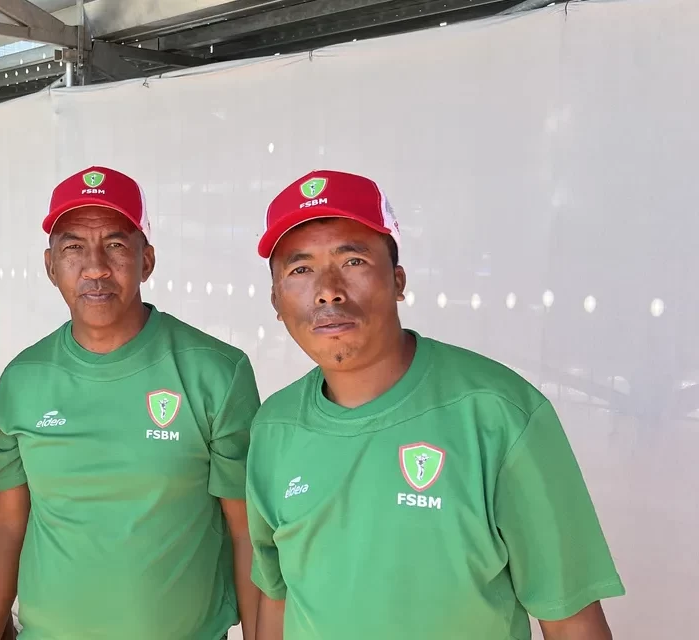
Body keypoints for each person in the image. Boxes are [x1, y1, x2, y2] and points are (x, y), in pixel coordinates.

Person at [246, 169, 625, 640]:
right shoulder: (274, 427)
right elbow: (277, 597)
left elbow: (572, 621)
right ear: (276, 300)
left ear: (399, 280)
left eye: (354, 261)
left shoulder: (499, 414)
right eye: (300, 270)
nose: (328, 290)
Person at [0, 166, 261, 640]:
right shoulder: (24, 380)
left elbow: (248, 531)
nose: (96, 267)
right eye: (73, 248)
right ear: (50, 266)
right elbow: (5, 520)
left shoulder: (216, 373)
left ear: (147, 260)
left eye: (116, 245)